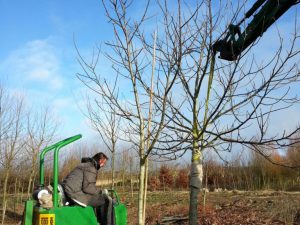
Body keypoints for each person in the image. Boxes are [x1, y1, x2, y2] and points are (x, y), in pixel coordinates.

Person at [62, 152, 112, 225]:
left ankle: (96, 220)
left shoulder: (85, 166)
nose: (103, 166)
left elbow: (86, 185)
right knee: (104, 200)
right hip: (74, 193)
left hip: (71, 190)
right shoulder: (90, 168)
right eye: (104, 163)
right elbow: (87, 188)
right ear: (100, 160)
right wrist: (100, 192)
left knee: (96, 198)